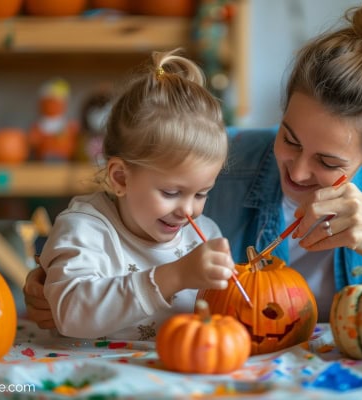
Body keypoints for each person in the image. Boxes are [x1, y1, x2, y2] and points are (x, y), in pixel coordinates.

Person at [24, 0, 362, 332]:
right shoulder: (216, 162)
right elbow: (100, 242)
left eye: (328, 162)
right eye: (290, 138)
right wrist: (50, 285)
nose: (299, 172)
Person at [32, 48, 236, 340]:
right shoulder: (84, 229)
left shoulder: (205, 235)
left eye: (202, 193)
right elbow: (70, 314)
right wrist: (174, 276)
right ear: (120, 178)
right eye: (171, 192)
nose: (188, 211)